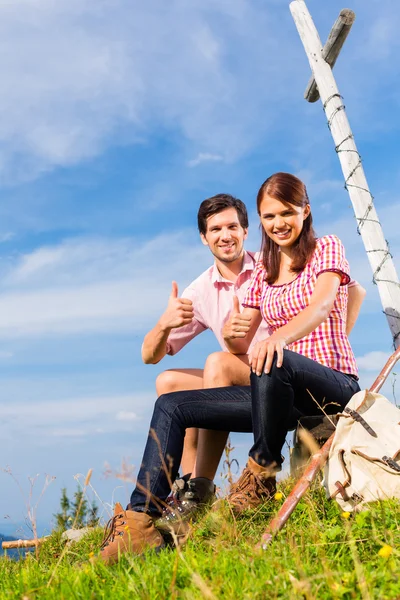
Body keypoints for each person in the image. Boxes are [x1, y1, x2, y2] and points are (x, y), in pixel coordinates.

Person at [98, 173, 361, 564]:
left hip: (330, 384)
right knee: (172, 402)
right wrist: (230, 331)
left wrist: (278, 339)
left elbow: (325, 303)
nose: (279, 223)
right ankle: (141, 521)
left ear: (305, 212)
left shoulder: (327, 247)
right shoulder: (263, 275)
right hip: (277, 390)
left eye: (287, 212)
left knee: (270, 356)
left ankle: (259, 475)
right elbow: (241, 339)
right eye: (270, 216)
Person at [141, 194, 365, 521]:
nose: (225, 235)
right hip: (243, 374)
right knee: (169, 382)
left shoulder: (272, 261)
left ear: (246, 230)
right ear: (204, 238)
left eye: (233, 226)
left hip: (285, 371)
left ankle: (202, 487)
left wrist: (335, 341)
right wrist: (164, 324)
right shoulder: (200, 290)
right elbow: (150, 355)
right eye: (216, 229)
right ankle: (187, 489)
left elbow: (352, 290)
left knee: (217, 363)